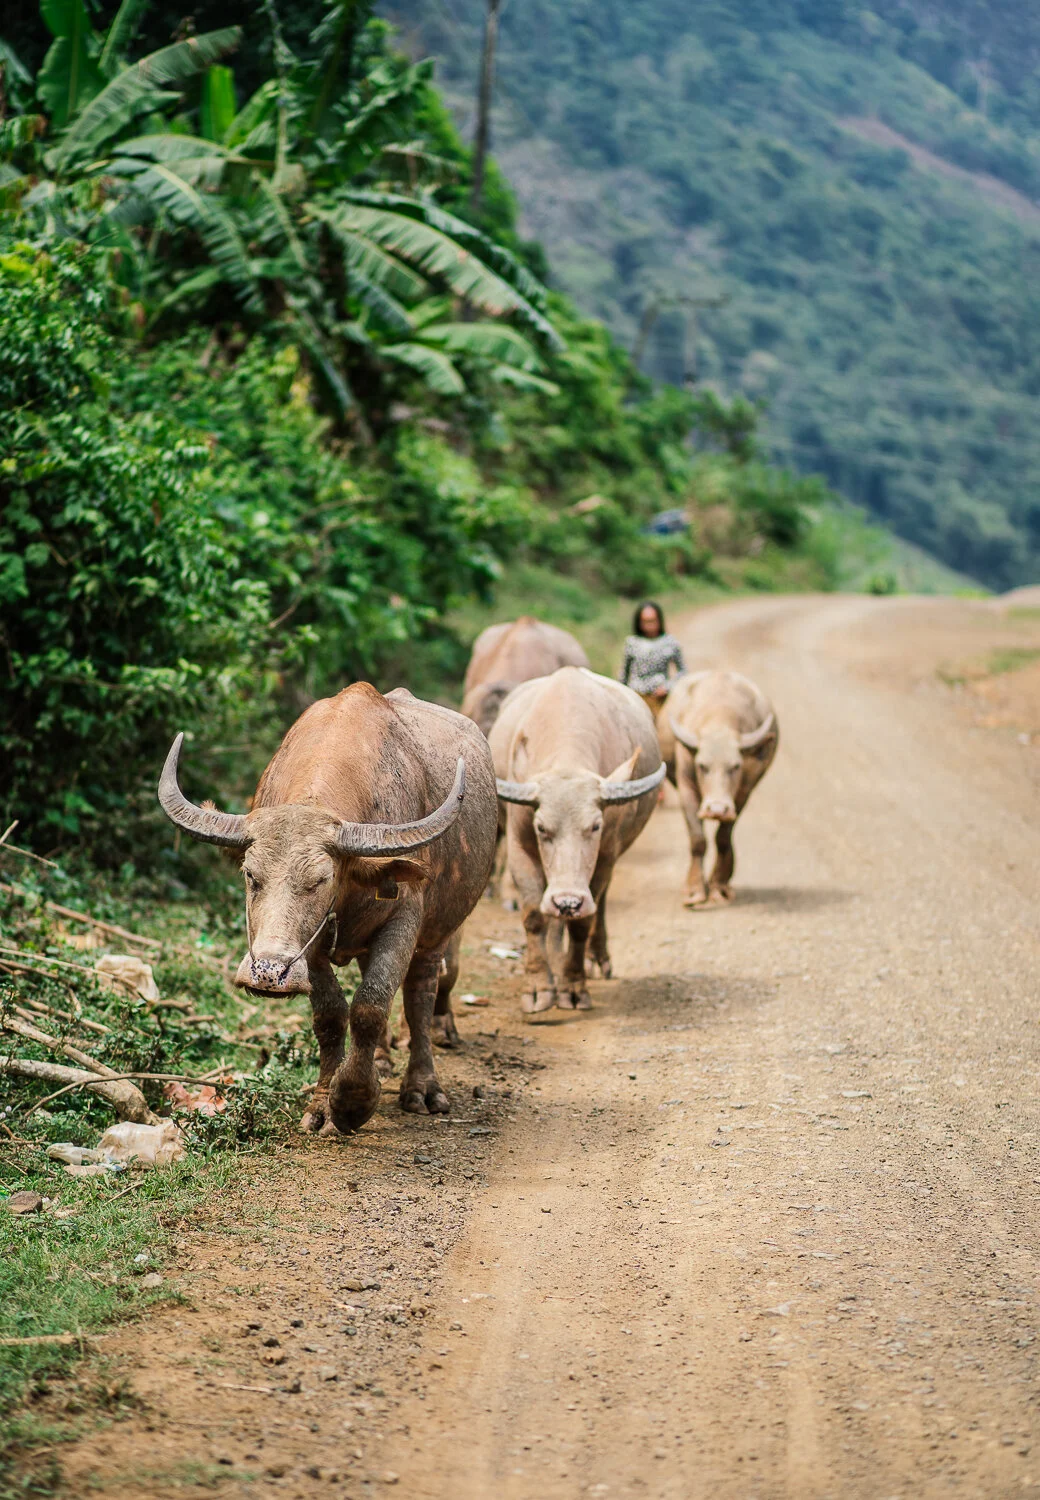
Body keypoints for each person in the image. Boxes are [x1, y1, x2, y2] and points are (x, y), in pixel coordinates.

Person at [618, 601, 686, 720]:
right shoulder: (632, 643)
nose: (649, 625)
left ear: (659, 620)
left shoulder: (670, 642)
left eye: (652, 621)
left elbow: (682, 671)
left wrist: (668, 687)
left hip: (661, 699)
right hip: (636, 698)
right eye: (645, 621)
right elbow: (624, 674)